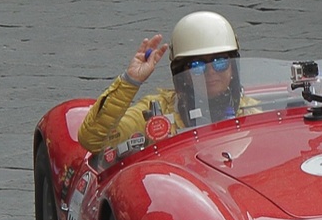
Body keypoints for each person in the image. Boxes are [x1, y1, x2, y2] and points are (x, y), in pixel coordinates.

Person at [79, 13, 254, 152]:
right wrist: (130, 80)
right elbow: (93, 140)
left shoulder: (251, 112)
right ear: (183, 74)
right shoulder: (156, 113)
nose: (210, 72)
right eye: (197, 66)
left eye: (220, 63)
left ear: (233, 68)